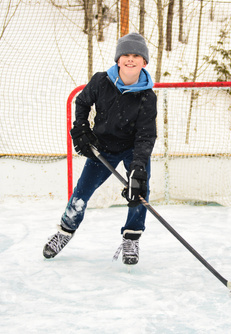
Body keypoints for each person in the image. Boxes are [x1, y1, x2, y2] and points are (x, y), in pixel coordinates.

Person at [43, 32, 157, 265]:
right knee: (81, 193)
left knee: (139, 192)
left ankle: (132, 238)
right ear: (118, 59)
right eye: (125, 54)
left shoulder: (147, 96)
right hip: (102, 148)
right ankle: (65, 231)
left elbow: (146, 136)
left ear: (144, 62)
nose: (130, 59)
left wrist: (138, 169)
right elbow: (82, 102)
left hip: (133, 150)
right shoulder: (101, 81)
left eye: (136, 55)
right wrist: (82, 127)